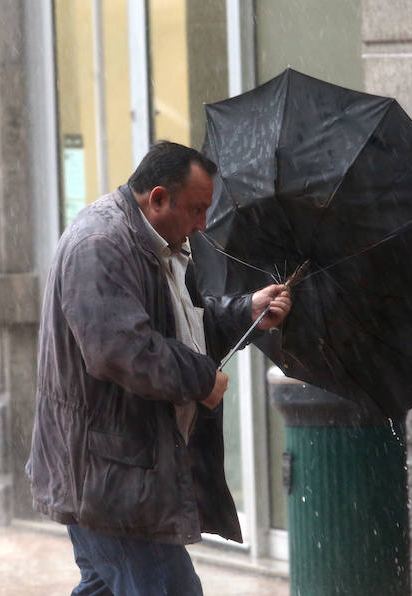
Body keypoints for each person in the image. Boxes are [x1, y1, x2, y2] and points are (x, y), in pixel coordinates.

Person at [26, 141, 291, 595]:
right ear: (159, 198)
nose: (203, 224)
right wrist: (201, 379)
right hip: (111, 482)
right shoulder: (101, 245)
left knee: (107, 587)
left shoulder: (159, 243)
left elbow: (179, 324)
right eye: (196, 209)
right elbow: (122, 349)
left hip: (118, 474)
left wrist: (244, 311)